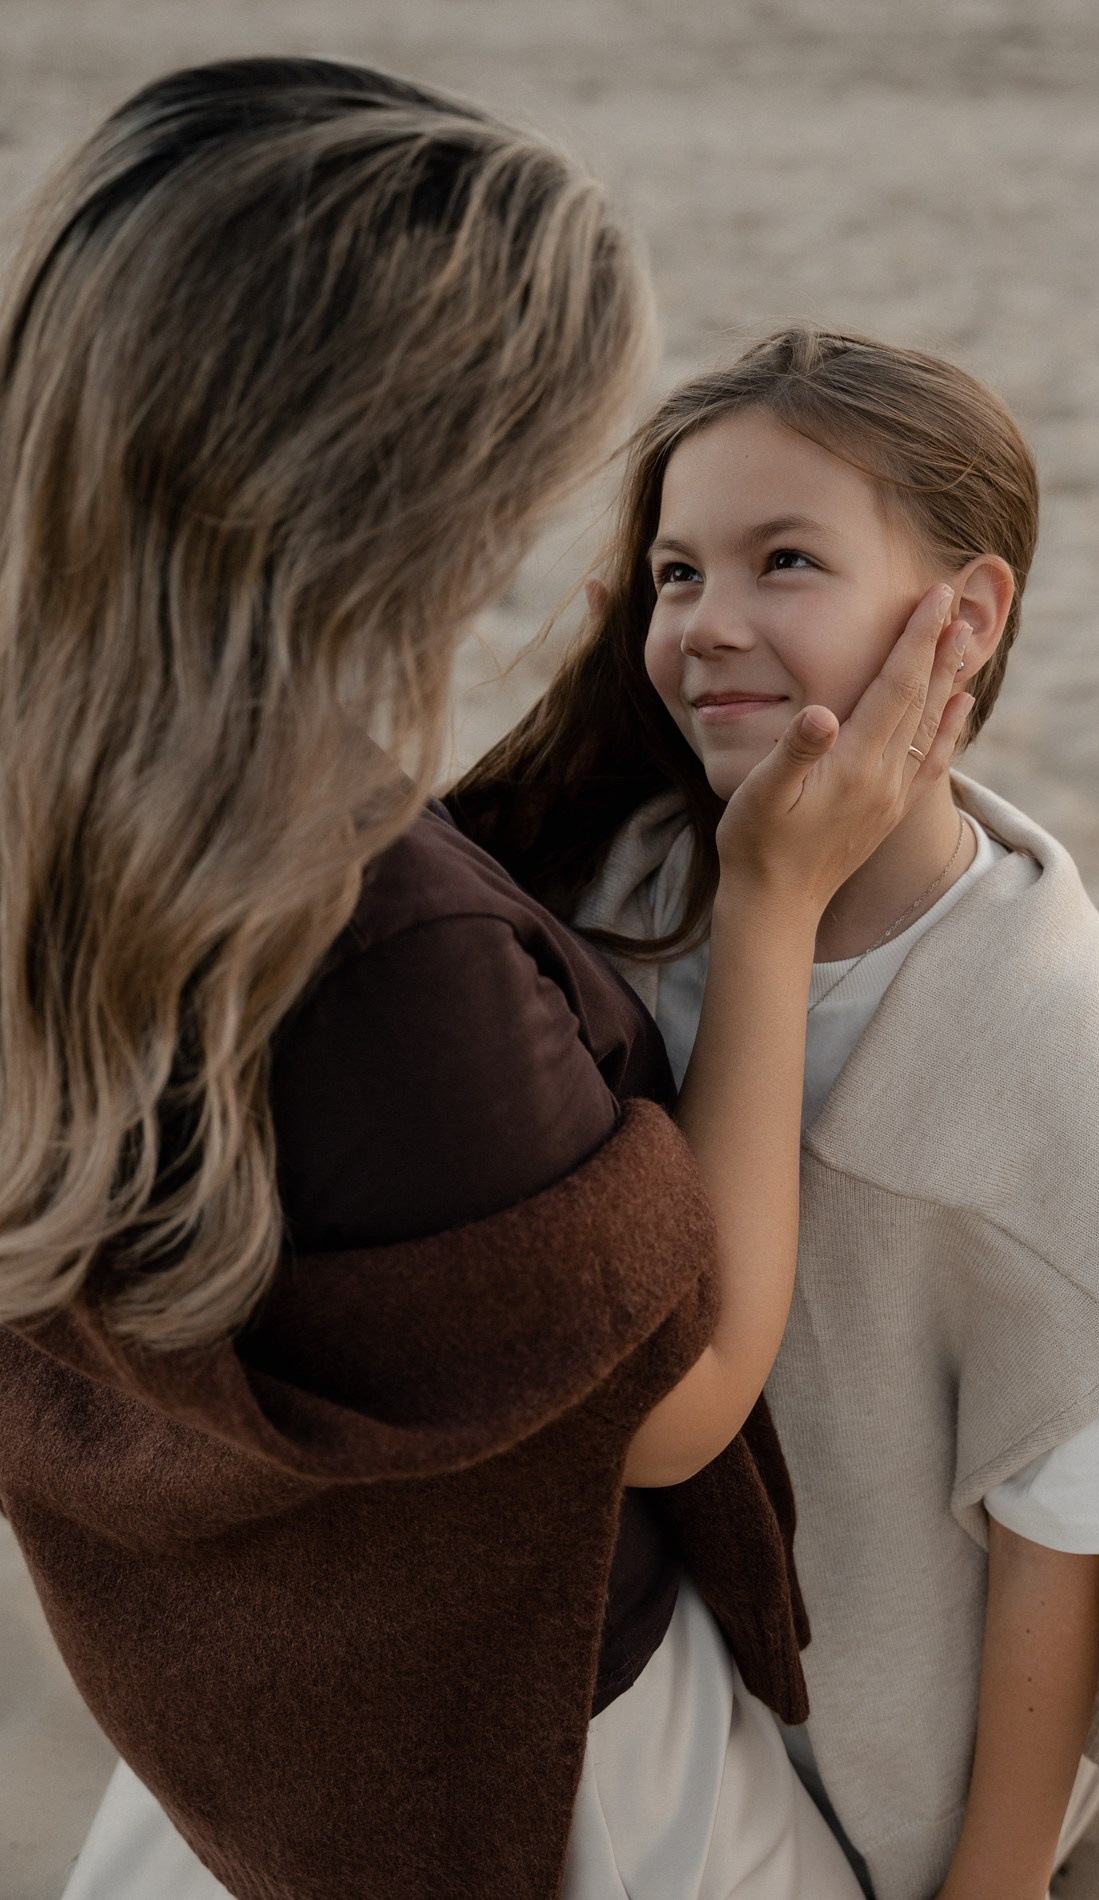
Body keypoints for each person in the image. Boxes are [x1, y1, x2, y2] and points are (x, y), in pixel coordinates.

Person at [0, 65, 971, 1900]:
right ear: (397, 483)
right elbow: (674, 1402)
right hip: (537, 1761)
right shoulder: (384, 953)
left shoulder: (59, 811)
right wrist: (765, 912)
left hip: (242, 1705)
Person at [448, 327, 1099, 1900]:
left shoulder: (1027, 1024)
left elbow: (1061, 1532)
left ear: (962, 617)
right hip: (680, 1680)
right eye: (677, 574)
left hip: (894, 1753)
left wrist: (997, 1882)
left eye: (788, 560)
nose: (711, 623)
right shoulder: (630, 887)